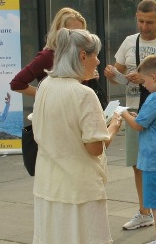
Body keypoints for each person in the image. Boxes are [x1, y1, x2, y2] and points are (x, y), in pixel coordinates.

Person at [32, 28, 122, 244]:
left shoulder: (45, 85)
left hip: (48, 185)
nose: (98, 61)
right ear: (83, 56)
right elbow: (95, 147)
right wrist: (113, 128)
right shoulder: (83, 94)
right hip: (80, 190)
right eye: (95, 55)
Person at [103, 0, 156, 232]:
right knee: (140, 162)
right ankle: (145, 212)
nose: (144, 27)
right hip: (137, 105)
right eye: (140, 21)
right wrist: (113, 74)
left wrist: (146, 78)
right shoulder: (129, 41)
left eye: (149, 22)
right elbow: (120, 72)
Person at [120, 55, 156, 244]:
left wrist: (123, 113)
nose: (143, 86)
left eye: (143, 81)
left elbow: (138, 125)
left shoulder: (154, 97)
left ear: (153, 77)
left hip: (153, 158)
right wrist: (137, 116)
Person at [10, 7, 105, 105]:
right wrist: (46, 95)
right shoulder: (48, 56)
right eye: (73, 31)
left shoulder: (81, 54)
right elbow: (17, 83)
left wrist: (88, 77)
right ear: (61, 31)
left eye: (82, 32)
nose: (78, 36)